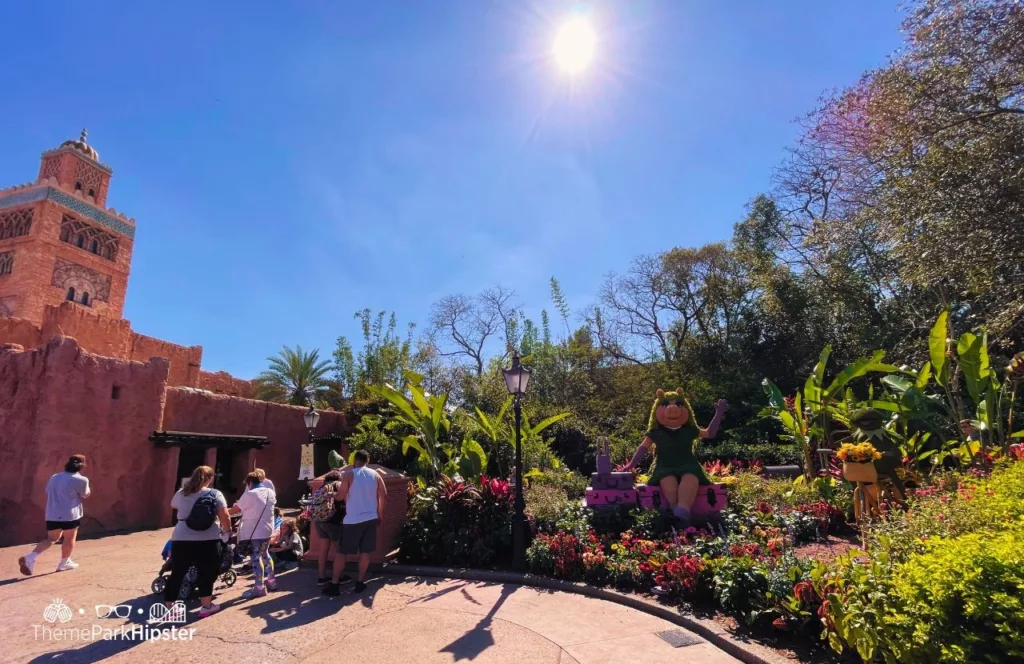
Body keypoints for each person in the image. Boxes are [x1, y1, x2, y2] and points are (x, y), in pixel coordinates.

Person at [618, 390, 728, 525]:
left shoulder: (690, 430)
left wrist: (718, 414)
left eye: (679, 404)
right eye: (665, 404)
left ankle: (682, 511)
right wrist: (631, 465)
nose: (673, 409)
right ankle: (677, 511)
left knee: (690, 478)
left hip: (688, 464)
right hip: (664, 465)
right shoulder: (655, 432)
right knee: (668, 482)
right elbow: (643, 448)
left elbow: (709, 433)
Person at [165, 465, 231, 618]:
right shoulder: (215, 494)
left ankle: (169, 609)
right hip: (208, 538)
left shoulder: (181, 493)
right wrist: (227, 530)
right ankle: (206, 606)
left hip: (182, 537)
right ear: (210, 479)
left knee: (177, 573)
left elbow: (173, 505)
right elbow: (225, 516)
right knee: (206, 573)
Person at [323, 450, 386, 596]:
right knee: (365, 552)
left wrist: (332, 494)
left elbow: (340, 496)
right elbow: (384, 494)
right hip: (370, 518)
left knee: (341, 552)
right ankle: (360, 583)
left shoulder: (349, 474)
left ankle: (335, 585)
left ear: (355, 460)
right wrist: (379, 513)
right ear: (367, 460)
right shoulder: (376, 475)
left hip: (352, 519)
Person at [19, 455, 91, 575]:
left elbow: (48, 491)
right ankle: (64, 562)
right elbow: (85, 494)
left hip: (52, 514)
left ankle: (30, 557)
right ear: (82, 466)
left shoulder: (54, 477)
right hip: (70, 515)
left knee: (51, 539)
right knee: (69, 538)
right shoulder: (82, 480)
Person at [230, 471, 277, 598]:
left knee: (256, 558)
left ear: (250, 483)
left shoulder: (250, 494)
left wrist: (223, 513)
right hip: (267, 529)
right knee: (265, 554)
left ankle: (259, 587)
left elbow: (235, 510)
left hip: (254, 530)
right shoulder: (270, 492)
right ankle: (272, 581)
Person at [311, 470, 346, 586]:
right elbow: (343, 497)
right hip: (332, 520)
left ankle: (321, 577)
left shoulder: (321, 487)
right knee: (338, 549)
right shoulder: (337, 484)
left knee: (323, 549)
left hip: (318, 520)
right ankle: (340, 576)